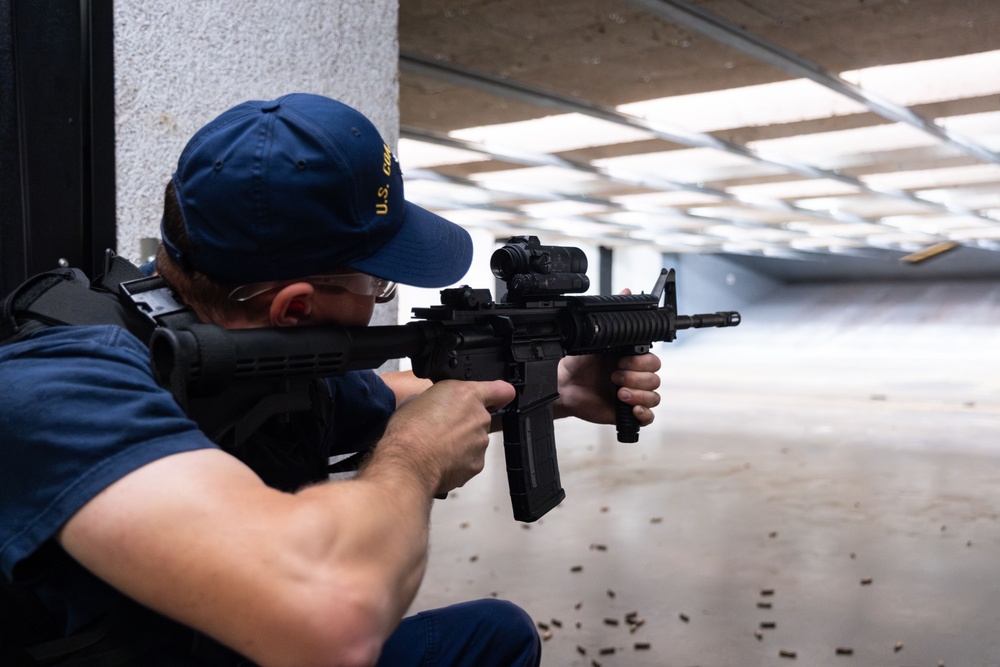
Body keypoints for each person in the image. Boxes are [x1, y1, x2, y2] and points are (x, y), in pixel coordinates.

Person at [0, 93, 662, 667]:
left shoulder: (247, 349)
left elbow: (397, 398)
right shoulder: (60, 386)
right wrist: (414, 459)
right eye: (378, 284)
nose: (383, 298)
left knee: (496, 634)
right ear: (295, 305)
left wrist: (561, 387)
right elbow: (331, 621)